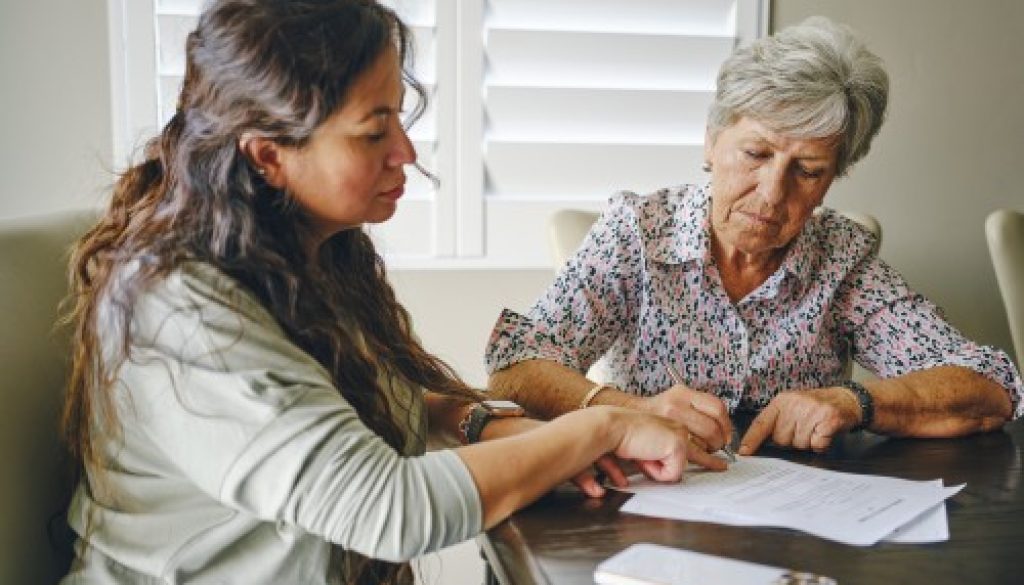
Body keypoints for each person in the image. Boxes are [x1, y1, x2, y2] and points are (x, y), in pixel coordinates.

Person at [58, 2, 723, 584]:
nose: (406, 152)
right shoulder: (183, 310)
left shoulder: (303, 254)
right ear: (268, 156)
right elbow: (388, 509)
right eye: (373, 131)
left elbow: (369, 401)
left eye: (400, 120)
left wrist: (479, 420)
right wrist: (601, 424)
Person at [485, 16, 1023, 459]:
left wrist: (853, 401)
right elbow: (515, 366)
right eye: (756, 154)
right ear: (712, 142)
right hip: (651, 500)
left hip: (798, 520)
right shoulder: (638, 234)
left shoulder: (842, 259)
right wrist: (633, 409)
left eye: (807, 171)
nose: (771, 193)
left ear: (832, 179)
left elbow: (991, 384)